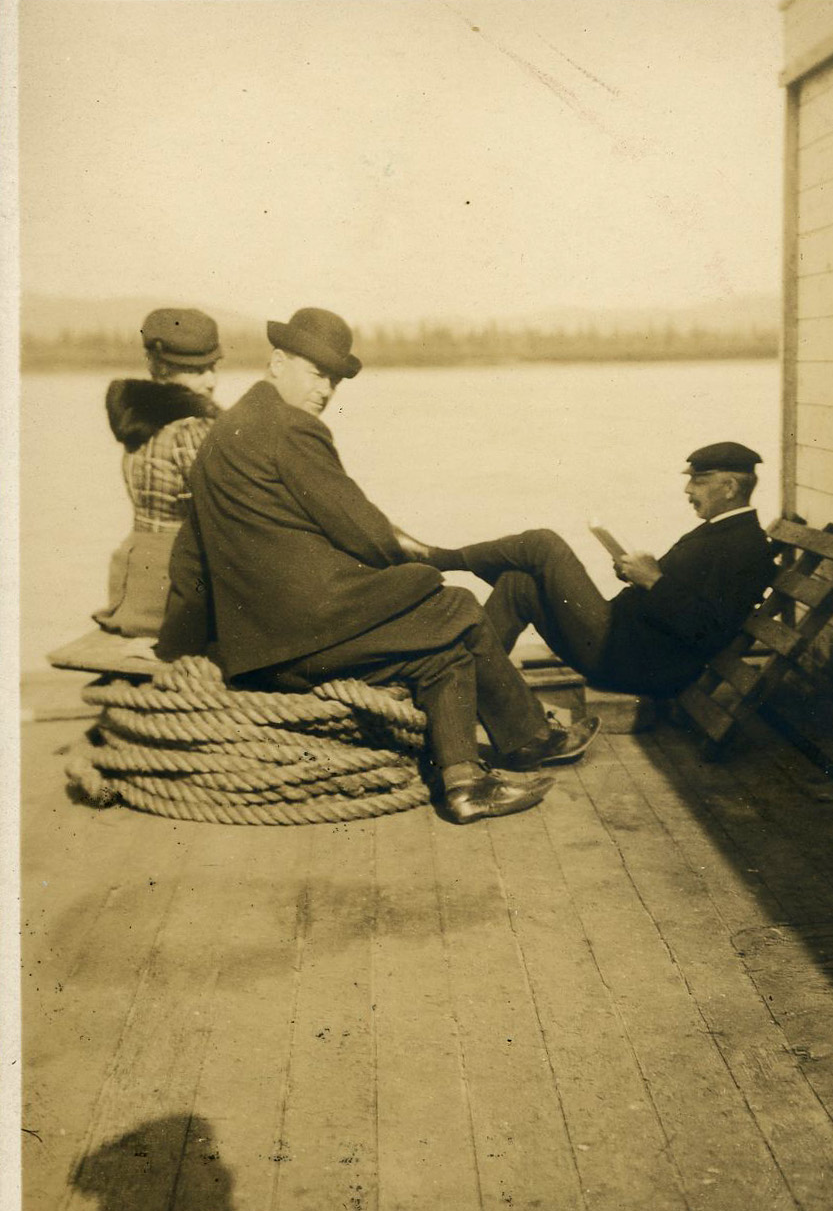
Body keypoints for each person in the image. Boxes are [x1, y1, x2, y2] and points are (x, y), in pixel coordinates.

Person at [156, 306, 598, 824]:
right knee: (452, 603)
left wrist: (177, 648)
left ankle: (467, 782)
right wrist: (420, 560)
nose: (325, 390)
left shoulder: (222, 434)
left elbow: (190, 559)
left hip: (260, 650)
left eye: (335, 381)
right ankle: (528, 739)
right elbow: (364, 531)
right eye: (316, 373)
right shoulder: (290, 429)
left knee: (441, 651)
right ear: (278, 362)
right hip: (307, 632)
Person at [400, 443, 777, 699]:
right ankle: (461, 688)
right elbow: (684, 596)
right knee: (518, 583)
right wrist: (636, 573)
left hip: (635, 661)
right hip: (624, 642)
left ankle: (439, 558)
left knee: (542, 544)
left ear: (729, 487)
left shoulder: (746, 547)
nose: (688, 490)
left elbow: (707, 630)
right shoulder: (720, 532)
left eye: (699, 480)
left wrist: (653, 580)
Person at [95, 307, 223, 638]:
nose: (211, 382)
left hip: (131, 585)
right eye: (197, 372)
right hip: (173, 595)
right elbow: (224, 515)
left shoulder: (139, 425)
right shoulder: (190, 429)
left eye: (212, 367)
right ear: (164, 369)